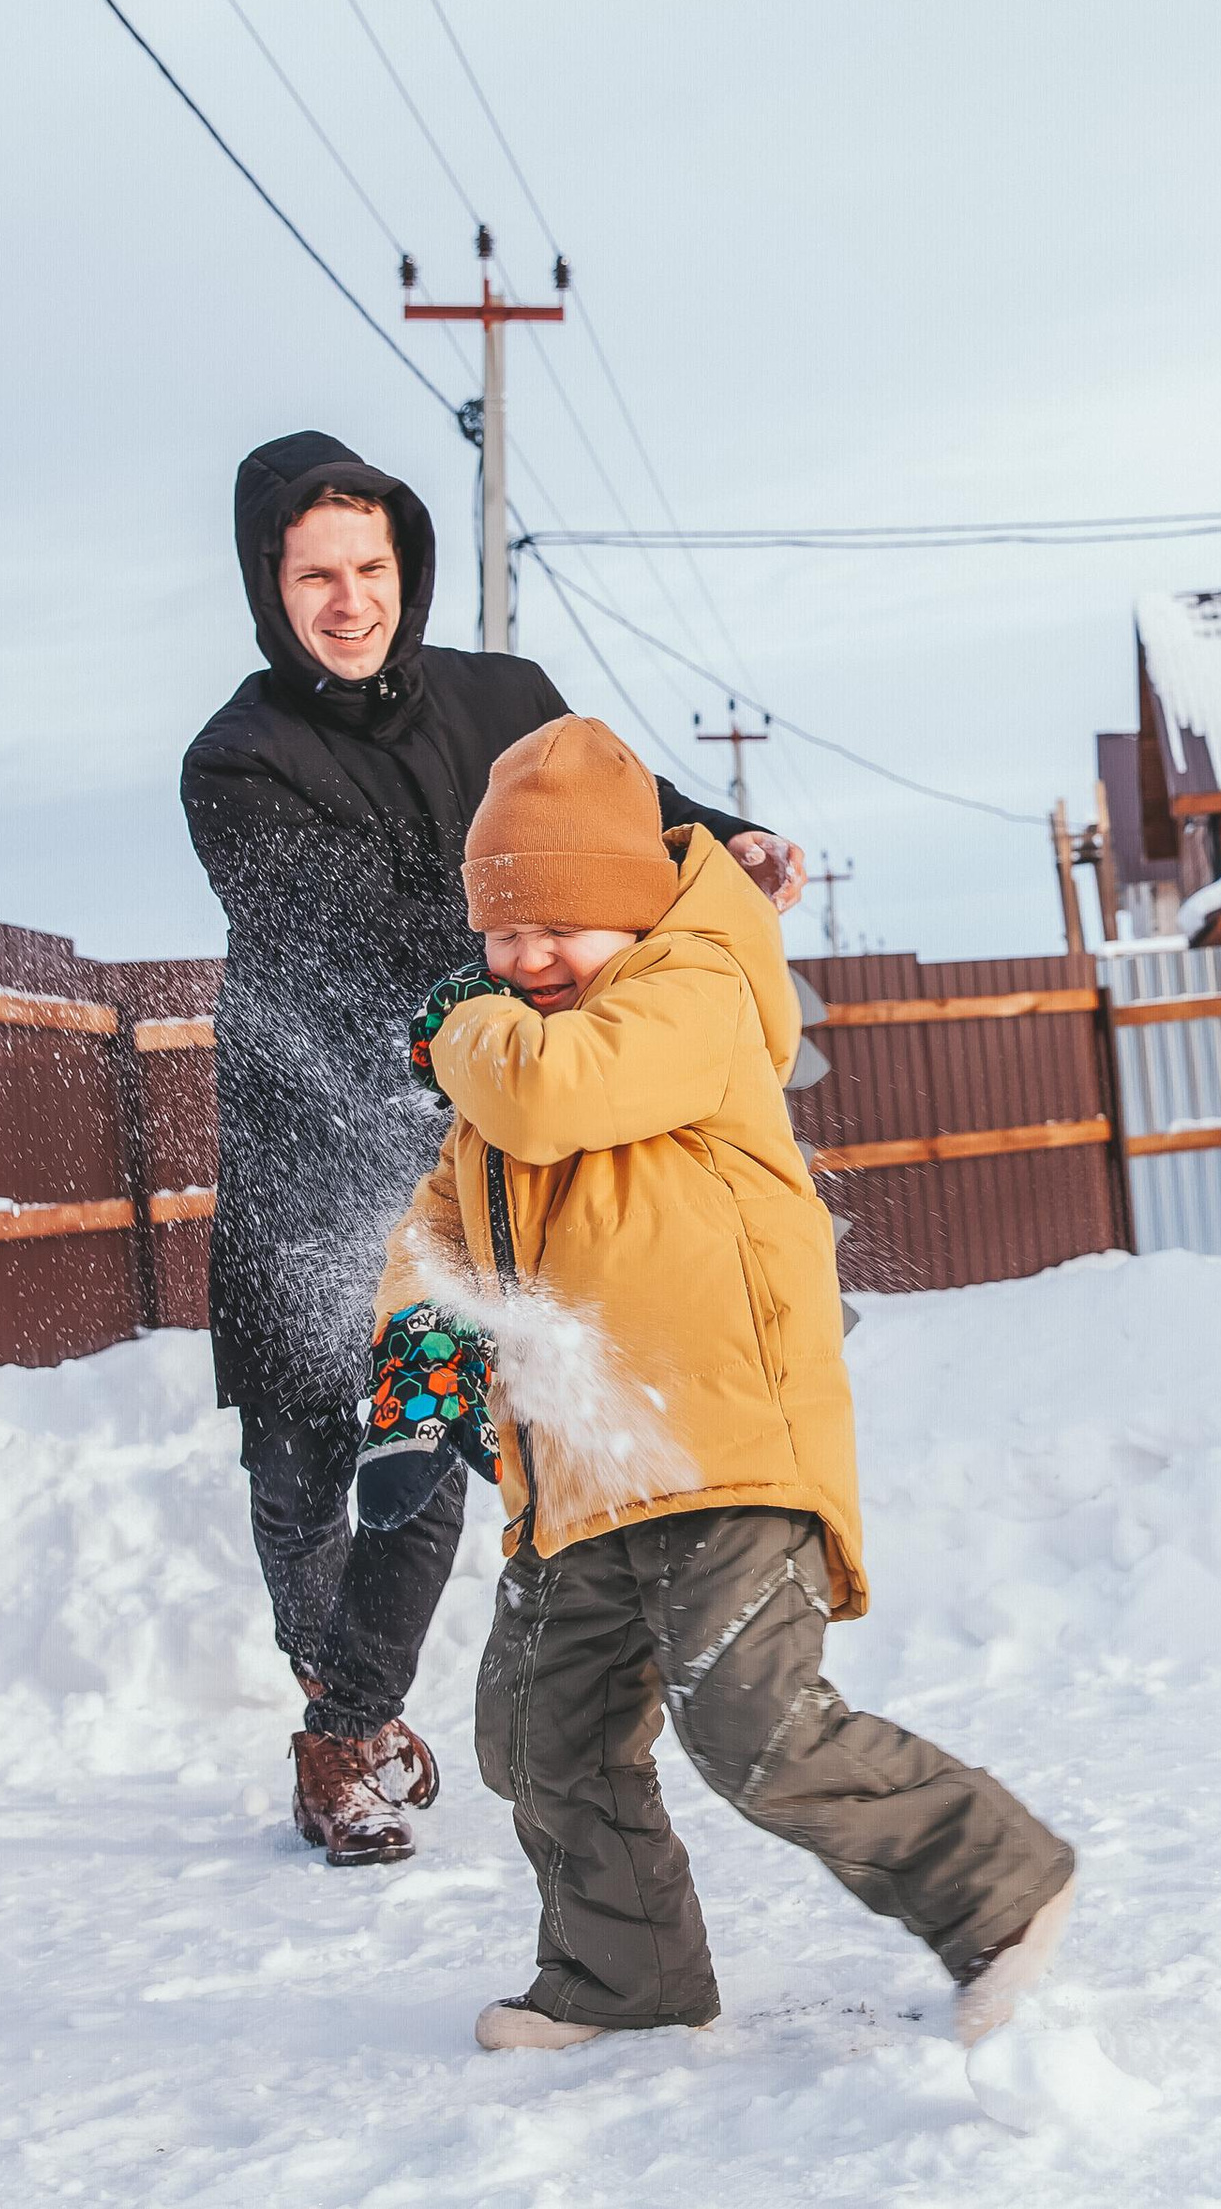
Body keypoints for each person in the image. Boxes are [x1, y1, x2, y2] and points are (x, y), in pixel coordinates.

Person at [369, 715, 1075, 2050]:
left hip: (719, 1444)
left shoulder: (691, 997)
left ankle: (1000, 1888)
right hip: (579, 1473)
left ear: (632, 912)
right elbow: (438, 1235)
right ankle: (623, 1976)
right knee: (536, 1739)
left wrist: (464, 1025)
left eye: (557, 928)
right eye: (498, 937)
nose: (522, 960)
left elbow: (552, 1095)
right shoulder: (509, 1062)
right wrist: (419, 1376)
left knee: (755, 1726)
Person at [181, 431, 805, 1865]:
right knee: (297, 1457)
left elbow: (614, 827)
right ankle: (324, 1665)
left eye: (373, 568)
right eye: (316, 575)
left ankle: (345, 1725)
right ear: (269, 588)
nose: (351, 601)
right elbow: (351, 935)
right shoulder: (236, 761)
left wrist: (728, 840)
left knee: (424, 1420)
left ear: (407, 568)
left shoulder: (507, 701)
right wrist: (536, 975)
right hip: (310, 1140)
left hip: (464, 1128)